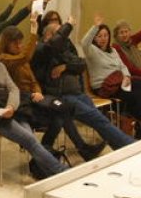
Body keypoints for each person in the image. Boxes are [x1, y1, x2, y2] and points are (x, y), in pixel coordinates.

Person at [0, 2, 66, 179]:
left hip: (5, 111)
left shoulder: (0, 65)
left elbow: (13, 89)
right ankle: (61, 173)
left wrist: (10, 108)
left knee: (29, 136)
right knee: (29, 140)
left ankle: (44, 171)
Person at [0, 26, 100, 161]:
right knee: (61, 112)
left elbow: (33, 81)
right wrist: (34, 32)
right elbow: (24, 57)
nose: (19, 45)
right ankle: (71, 149)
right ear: (6, 43)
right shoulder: (4, 59)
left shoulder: (21, 59)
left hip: (33, 99)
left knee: (62, 113)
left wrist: (37, 92)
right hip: (20, 104)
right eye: (15, 42)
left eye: (20, 42)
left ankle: (49, 149)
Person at [31, 17, 133, 151]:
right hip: (61, 96)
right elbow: (53, 47)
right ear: (49, 36)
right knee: (97, 119)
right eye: (62, 34)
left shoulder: (64, 49)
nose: (65, 37)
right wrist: (68, 26)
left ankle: (119, 146)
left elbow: (81, 64)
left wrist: (66, 67)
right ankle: (129, 145)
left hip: (77, 93)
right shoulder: (42, 50)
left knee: (99, 121)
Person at [81, 15, 141, 137]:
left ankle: (136, 122)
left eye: (105, 35)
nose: (103, 39)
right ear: (95, 38)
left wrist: (127, 77)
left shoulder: (112, 50)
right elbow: (84, 42)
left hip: (119, 82)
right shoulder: (92, 51)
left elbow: (123, 66)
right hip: (104, 86)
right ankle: (137, 124)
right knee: (135, 95)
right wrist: (95, 26)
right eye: (99, 36)